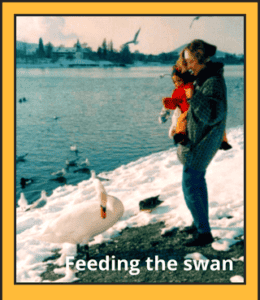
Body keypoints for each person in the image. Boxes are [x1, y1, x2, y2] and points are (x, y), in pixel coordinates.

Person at [176, 39, 228, 247]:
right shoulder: (203, 77)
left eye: (189, 60)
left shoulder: (212, 81)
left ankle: (204, 233)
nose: (186, 64)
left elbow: (213, 114)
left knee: (190, 182)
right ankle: (200, 222)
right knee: (197, 182)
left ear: (199, 60)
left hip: (204, 141)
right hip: (200, 139)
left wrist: (193, 96)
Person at [161, 58, 232, 150]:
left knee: (215, 121)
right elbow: (175, 103)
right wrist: (167, 102)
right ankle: (181, 136)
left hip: (196, 109)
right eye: (174, 82)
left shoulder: (191, 86)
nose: (176, 84)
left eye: (178, 81)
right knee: (182, 120)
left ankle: (223, 141)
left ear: (184, 78)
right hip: (187, 112)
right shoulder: (176, 92)